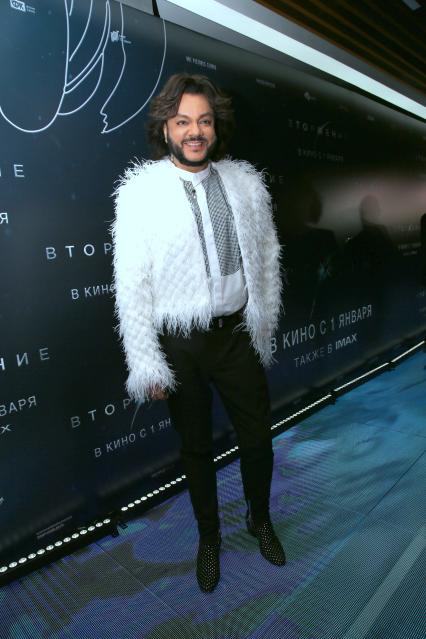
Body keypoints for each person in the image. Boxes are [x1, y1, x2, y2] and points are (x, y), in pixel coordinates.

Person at [112, 73, 285, 592]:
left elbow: (267, 257)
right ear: (166, 129)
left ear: (215, 127)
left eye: (204, 121)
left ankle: (259, 519)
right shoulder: (140, 193)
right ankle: (209, 538)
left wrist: (262, 319)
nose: (195, 131)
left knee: (257, 439)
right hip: (180, 343)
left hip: (236, 335)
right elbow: (131, 283)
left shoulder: (246, 185)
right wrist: (146, 362)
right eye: (183, 121)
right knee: (196, 449)